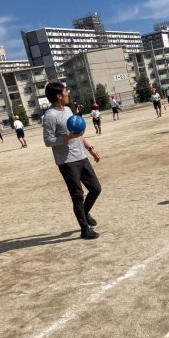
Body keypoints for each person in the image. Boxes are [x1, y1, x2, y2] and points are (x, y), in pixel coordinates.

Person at [43, 82, 102, 240]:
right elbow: (48, 141)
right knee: (77, 195)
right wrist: (67, 138)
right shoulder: (50, 116)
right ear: (59, 95)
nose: (68, 93)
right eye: (65, 91)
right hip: (66, 161)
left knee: (95, 188)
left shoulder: (68, 110)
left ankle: (84, 211)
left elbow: (79, 133)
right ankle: (85, 230)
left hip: (81, 156)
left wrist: (90, 148)